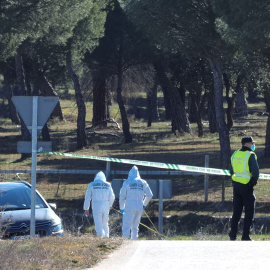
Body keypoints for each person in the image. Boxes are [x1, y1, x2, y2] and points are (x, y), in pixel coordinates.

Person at [229, 136, 260, 241]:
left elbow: (230, 170)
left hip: (236, 186)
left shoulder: (235, 154)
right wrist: (253, 182)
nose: (253, 145)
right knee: (249, 210)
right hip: (246, 186)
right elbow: (255, 171)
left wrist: (234, 181)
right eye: (252, 143)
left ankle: (233, 234)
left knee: (236, 211)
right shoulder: (250, 155)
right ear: (247, 144)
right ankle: (245, 236)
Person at [119, 166, 153, 240]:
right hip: (139, 206)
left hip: (129, 206)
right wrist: (144, 204)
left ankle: (125, 243)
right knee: (135, 226)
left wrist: (122, 208)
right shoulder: (143, 182)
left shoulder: (127, 182)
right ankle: (134, 242)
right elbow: (150, 195)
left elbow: (122, 197)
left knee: (126, 226)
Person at [83, 171, 115, 238]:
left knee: (98, 224)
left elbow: (88, 197)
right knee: (105, 223)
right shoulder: (108, 185)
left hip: (96, 205)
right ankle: (106, 237)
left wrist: (86, 208)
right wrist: (110, 205)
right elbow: (112, 197)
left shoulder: (92, 184)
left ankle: (101, 237)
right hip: (106, 205)